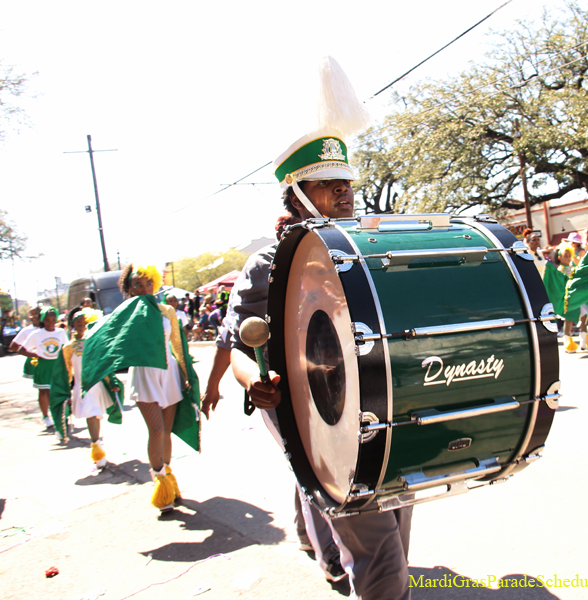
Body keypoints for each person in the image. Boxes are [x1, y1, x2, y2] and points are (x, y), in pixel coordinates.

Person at [220, 56, 413, 598]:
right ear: (297, 196)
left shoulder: (372, 249)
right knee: (374, 540)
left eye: (347, 182)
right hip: (308, 409)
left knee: (397, 505)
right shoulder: (268, 265)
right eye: (329, 185)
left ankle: (334, 555)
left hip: (379, 400)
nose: (345, 192)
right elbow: (240, 343)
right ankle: (340, 562)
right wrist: (251, 383)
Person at [118, 264, 193, 511]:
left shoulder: (166, 311)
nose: (143, 288)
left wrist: (185, 373)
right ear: (129, 288)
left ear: (155, 283)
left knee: (167, 432)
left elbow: (177, 345)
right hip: (143, 375)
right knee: (157, 431)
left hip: (168, 374)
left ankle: (169, 482)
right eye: (137, 285)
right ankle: (159, 485)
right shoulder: (124, 314)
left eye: (148, 283)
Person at [60, 307, 120, 466]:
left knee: (96, 416)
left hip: (96, 385)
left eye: (85, 323)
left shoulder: (94, 342)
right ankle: (97, 448)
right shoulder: (68, 347)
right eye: (78, 323)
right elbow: (67, 371)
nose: (82, 326)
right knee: (91, 416)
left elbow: (104, 363)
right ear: (73, 325)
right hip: (82, 388)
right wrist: (65, 391)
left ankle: (97, 444)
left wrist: (112, 381)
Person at [17, 306, 67, 427]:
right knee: (44, 392)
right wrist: (35, 355)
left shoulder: (60, 332)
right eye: (47, 320)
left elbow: (66, 349)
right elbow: (20, 349)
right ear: (43, 320)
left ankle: (60, 415)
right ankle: (45, 416)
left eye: (53, 320)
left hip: (57, 365)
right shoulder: (36, 334)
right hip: (43, 365)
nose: (50, 323)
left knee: (58, 391)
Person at [9, 307, 42, 384]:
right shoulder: (26, 330)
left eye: (36, 314)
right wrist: (29, 353)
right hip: (34, 361)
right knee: (40, 385)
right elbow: (12, 346)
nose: (34, 316)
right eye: (31, 314)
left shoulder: (47, 328)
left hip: (48, 360)